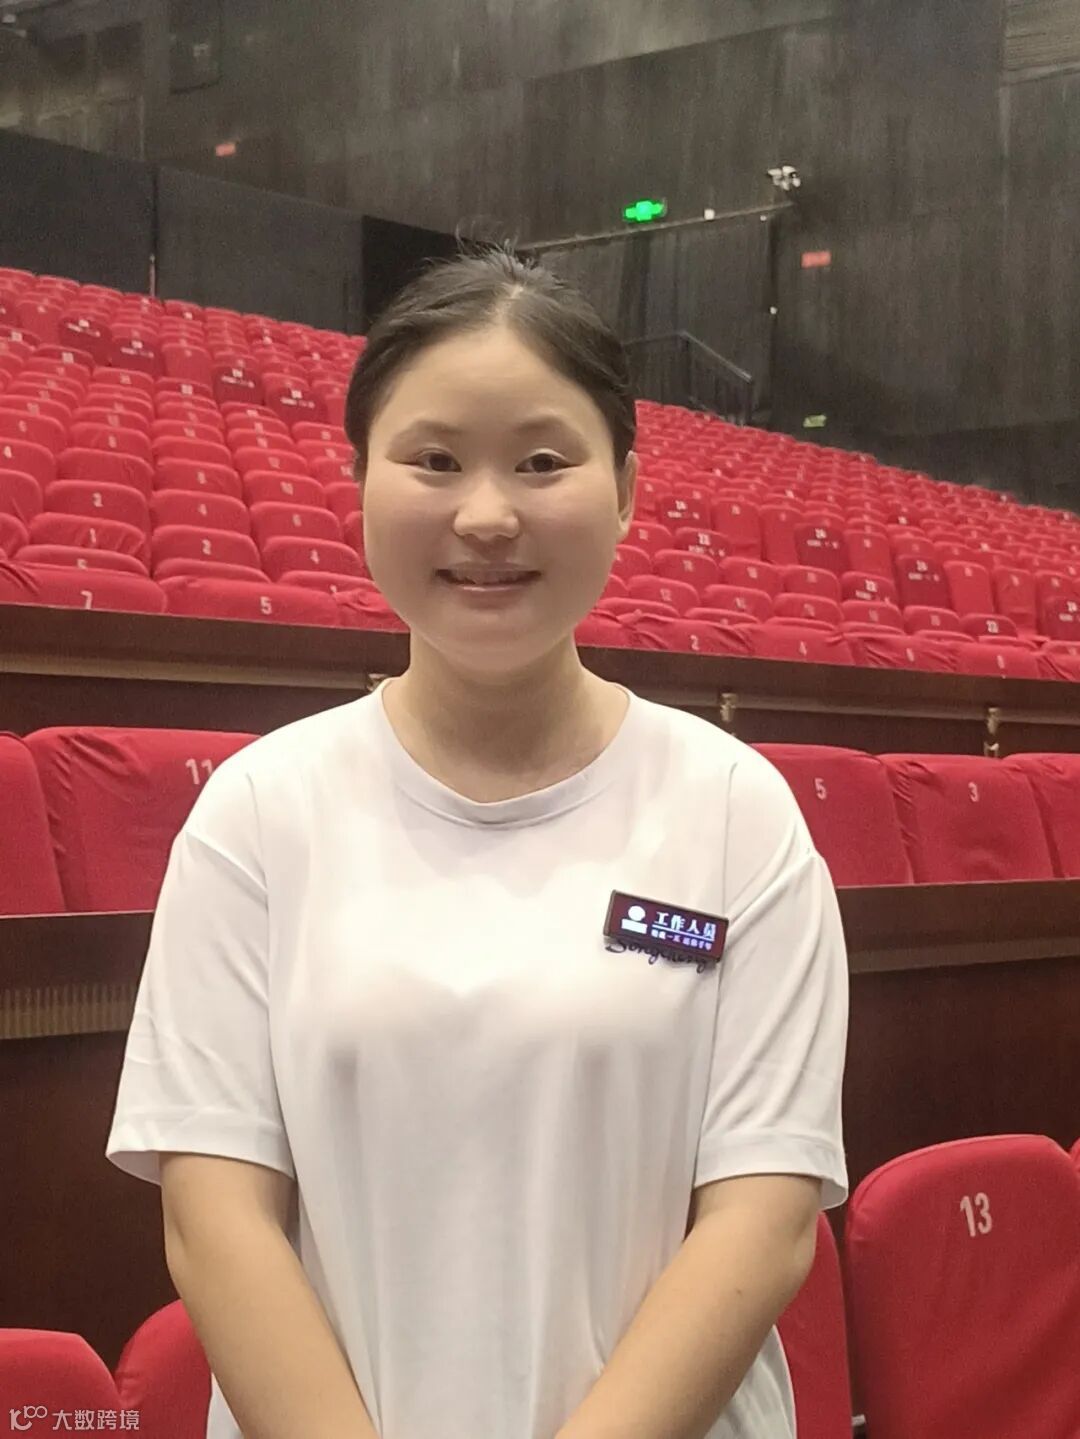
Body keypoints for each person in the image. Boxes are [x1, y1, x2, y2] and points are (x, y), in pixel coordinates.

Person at [105, 245, 849, 1439]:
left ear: (626, 487)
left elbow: (761, 1223)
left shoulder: (734, 812)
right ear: (361, 479)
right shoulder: (257, 814)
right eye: (435, 459)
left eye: (543, 461)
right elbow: (215, 1213)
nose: (489, 513)